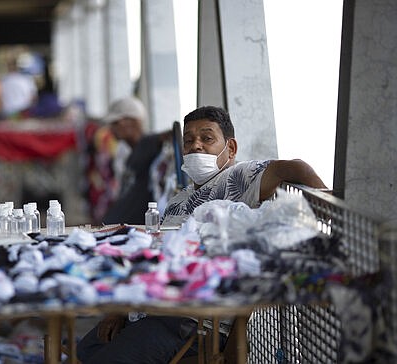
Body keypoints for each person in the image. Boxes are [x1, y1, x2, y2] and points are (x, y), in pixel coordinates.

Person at [77, 105, 327, 363]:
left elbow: (294, 168)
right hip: (156, 308)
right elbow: (158, 254)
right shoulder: (178, 201)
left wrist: (325, 204)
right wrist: (121, 310)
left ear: (230, 149)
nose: (196, 146)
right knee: (86, 349)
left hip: (194, 322)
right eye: (189, 140)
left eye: (207, 138)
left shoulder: (239, 177)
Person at [101, 96, 171, 225]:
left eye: (115, 123)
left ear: (132, 122)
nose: (111, 129)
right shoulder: (130, 152)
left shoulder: (148, 145)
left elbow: (170, 134)